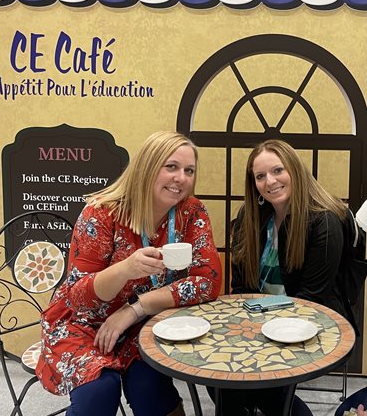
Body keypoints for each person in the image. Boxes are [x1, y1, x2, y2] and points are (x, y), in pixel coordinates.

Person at [35, 131, 222, 416]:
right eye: (170, 167)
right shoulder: (101, 214)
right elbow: (79, 299)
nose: (181, 178)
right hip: (83, 324)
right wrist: (125, 269)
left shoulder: (191, 212)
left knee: (150, 387)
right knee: (99, 390)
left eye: (189, 170)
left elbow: (208, 282)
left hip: (142, 324)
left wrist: (135, 309)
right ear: (147, 167)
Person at [219, 139, 349, 416]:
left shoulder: (324, 222)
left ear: (295, 171)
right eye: (260, 176)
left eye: (278, 171)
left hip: (305, 326)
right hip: (255, 324)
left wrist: (258, 335)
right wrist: (243, 331)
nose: (270, 181)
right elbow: (240, 288)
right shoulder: (249, 217)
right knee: (222, 381)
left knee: (234, 387)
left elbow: (311, 301)